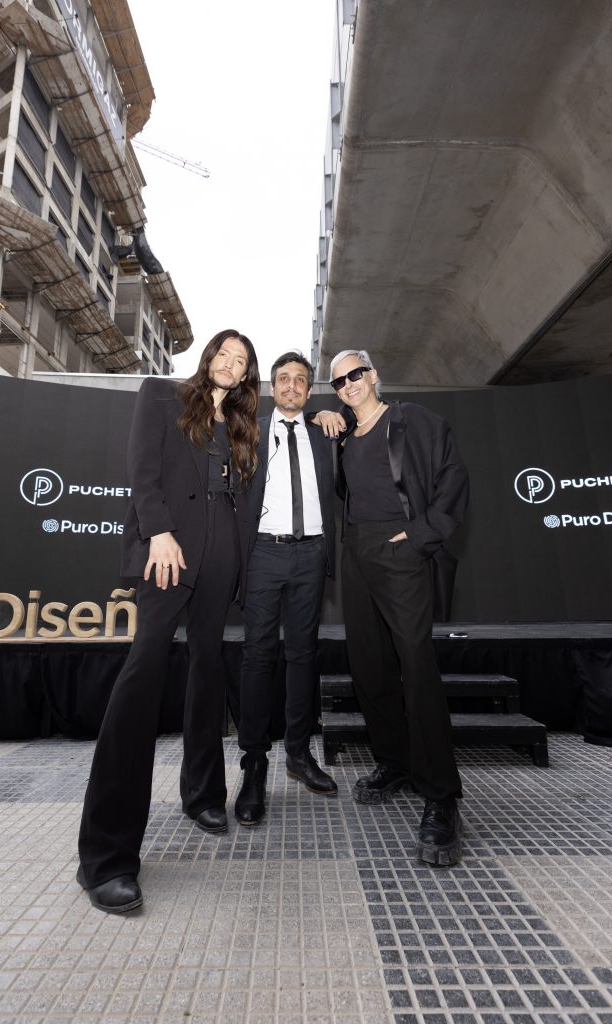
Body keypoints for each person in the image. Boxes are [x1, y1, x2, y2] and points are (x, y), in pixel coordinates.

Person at [77, 329, 260, 913]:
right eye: (224, 355)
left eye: (241, 362)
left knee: (209, 671)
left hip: (221, 558)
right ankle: (104, 857)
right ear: (207, 355)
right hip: (168, 552)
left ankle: (203, 794)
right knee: (142, 677)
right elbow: (143, 471)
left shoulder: (240, 425)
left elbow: (241, 497)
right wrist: (157, 532)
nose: (230, 366)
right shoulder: (160, 395)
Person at [318, 348, 469, 866]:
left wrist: (420, 535)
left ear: (374, 374)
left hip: (401, 548)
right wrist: (322, 415)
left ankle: (441, 796)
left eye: (356, 375)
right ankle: (397, 763)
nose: (349, 385)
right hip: (356, 549)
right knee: (369, 665)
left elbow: (452, 480)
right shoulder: (341, 435)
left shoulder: (415, 422)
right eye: (339, 382)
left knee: (416, 666)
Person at [234, 352, 337, 826]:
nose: (292, 386)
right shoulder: (248, 428)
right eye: (284, 379)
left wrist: (338, 414)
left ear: (310, 390)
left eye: (301, 380)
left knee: (304, 655)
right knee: (258, 655)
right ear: (272, 387)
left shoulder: (325, 430)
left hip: (312, 554)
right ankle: (254, 763)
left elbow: (368, 416)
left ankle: (298, 754)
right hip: (263, 554)